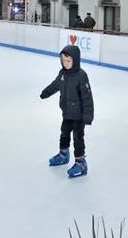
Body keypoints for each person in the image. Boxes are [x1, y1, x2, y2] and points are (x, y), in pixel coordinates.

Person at [40, 45, 94, 179]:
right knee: (64, 133)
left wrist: (88, 116)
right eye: (63, 60)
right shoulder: (62, 73)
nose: (65, 63)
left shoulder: (81, 75)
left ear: (75, 60)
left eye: (68, 61)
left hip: (79, 116)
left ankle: (81, 163)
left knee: (78, 139)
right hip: (67, 112)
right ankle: (63, 155)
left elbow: (87, 97)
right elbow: (55, 85)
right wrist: (46, 93)